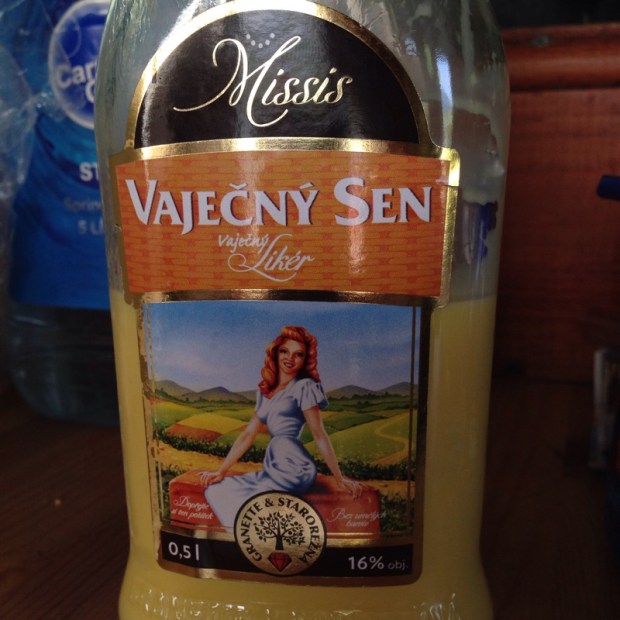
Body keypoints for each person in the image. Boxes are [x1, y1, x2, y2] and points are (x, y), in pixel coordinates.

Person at [199, 325, 363, 529]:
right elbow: (248, 434)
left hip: (295, 464)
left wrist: (339, 478)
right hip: (274, 463)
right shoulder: (265, 392)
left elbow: (319, 434)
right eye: (285, 351)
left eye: (298, 354)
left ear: (305, 360)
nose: (290, 358)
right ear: (276, 353)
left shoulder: (304, 387)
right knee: (220, 489)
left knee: (254, 498)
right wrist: (222, 471)